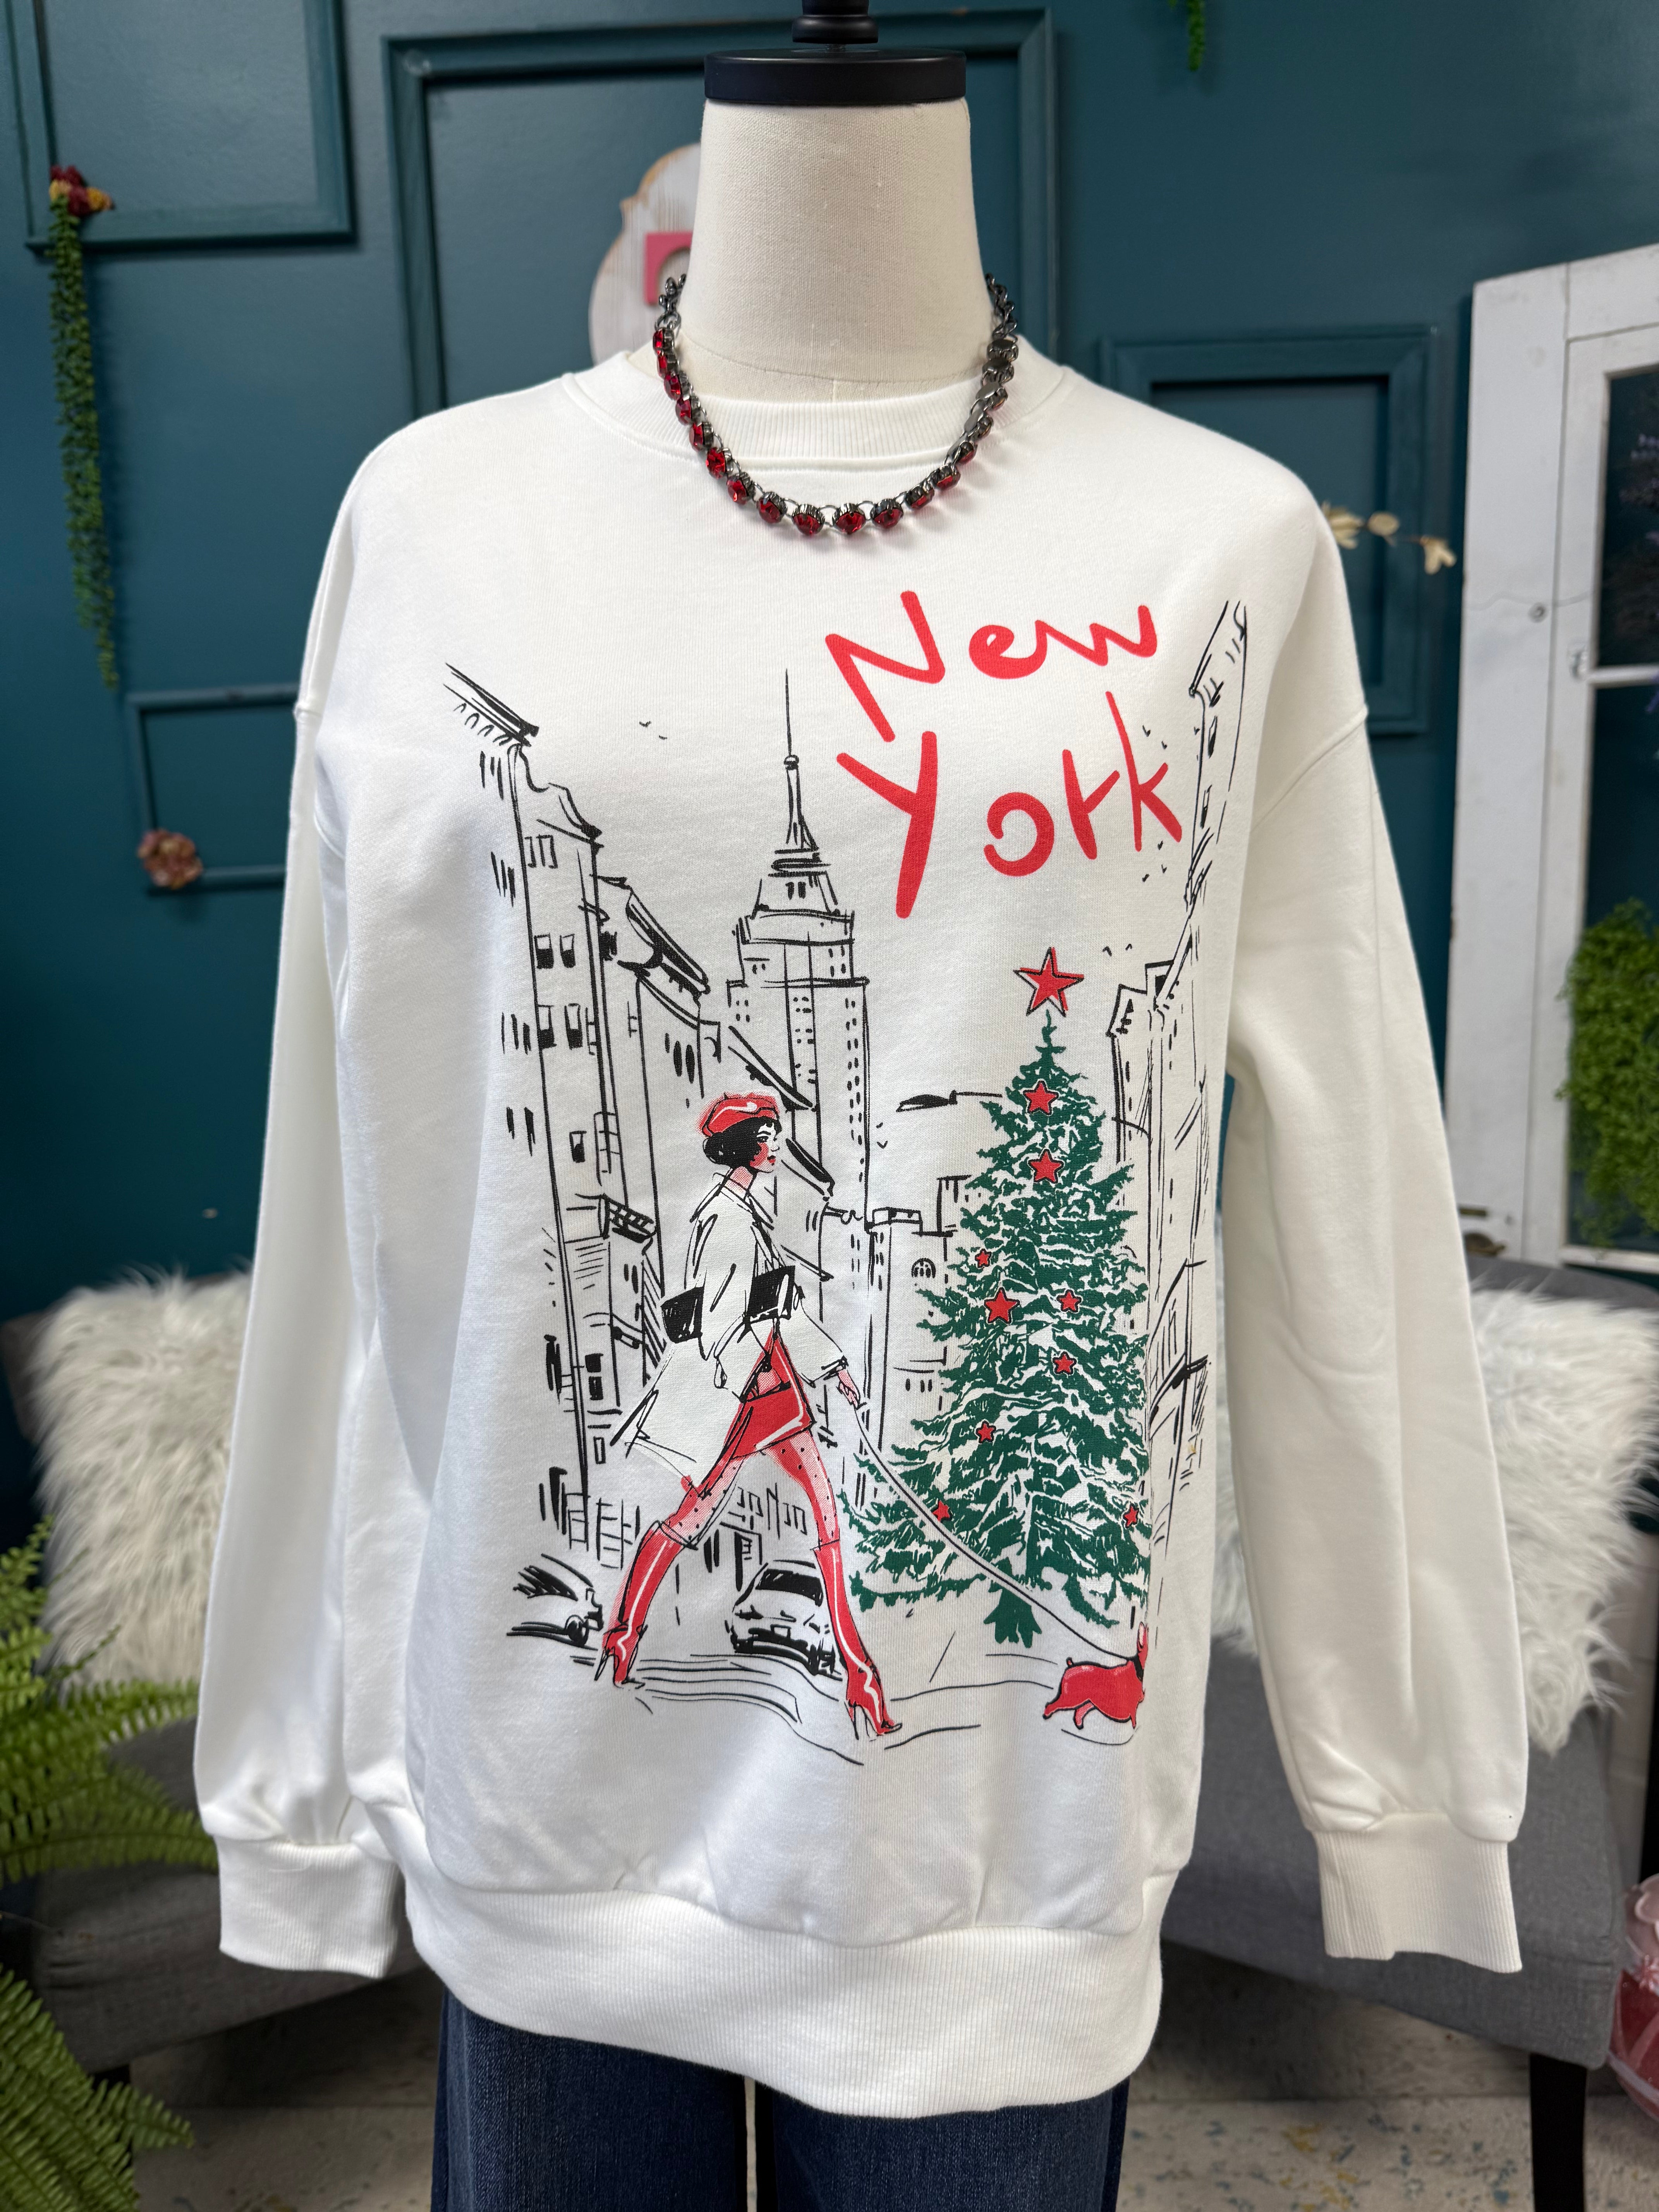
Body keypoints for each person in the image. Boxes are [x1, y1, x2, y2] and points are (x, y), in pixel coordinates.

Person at [603, 1092, 897, 1740]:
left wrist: (829, 1365)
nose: (774, 1146)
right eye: (766, 1136)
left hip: (773, 1389)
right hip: (745, 1392)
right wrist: (754, 1356)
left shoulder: (740, 1212)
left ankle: (859, 1673)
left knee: (823, 1518)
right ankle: (624, 1633)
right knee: (695, 1518)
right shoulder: (726, 1218)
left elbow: (776, 1305)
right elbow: (719, 1322)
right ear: (742, 1148)